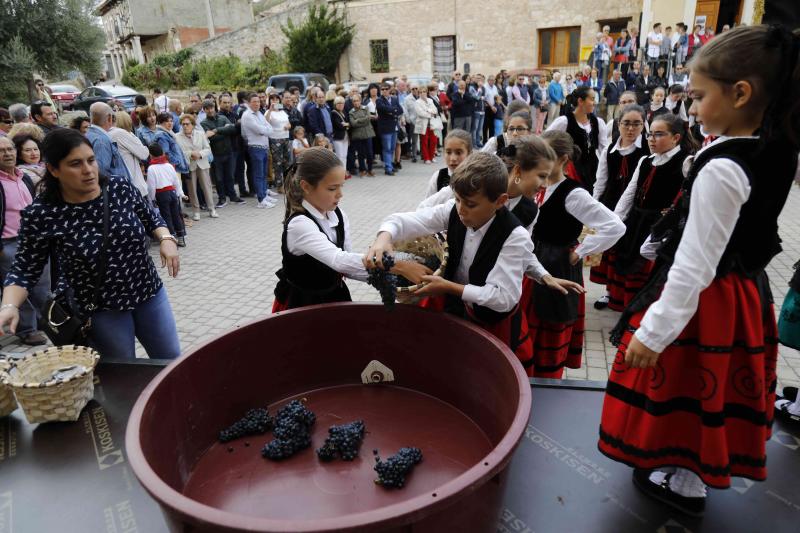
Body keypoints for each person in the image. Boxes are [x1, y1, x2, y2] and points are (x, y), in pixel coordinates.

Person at [599, 25, 800, 516]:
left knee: (689, 383)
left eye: (699, 96)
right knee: (712, 384)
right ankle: (686, 472)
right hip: (742, 293)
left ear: (740, 93)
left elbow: (695, 262)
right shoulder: (775, 147)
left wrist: (656, 330)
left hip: (706, 300)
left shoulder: (725, 166)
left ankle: (686, 481)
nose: (693, 108)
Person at [0, 129, 181, 359]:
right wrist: (9, 306)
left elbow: (151, 217)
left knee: (170, 359)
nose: (88, 170)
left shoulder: (118, 188)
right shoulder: (42, 213)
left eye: (91, 160)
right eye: (75, 164)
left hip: (148, 293)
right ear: (54, 170)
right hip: (101, 309)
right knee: (122, 373)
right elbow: (24, 269)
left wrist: (166, 239)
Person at [367, 152, 539, 362]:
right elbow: (404, 220)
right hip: (455, 309)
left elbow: (502, 298)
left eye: (471, 204)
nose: (461, 210)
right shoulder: (453, 210)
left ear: (500, 201)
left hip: (491, 322)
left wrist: (449, 287)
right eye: (457, 199)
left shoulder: (515, 236)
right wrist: (383, 238)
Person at [273, 147, 426, 311]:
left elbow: (347, 267)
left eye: (341, 186)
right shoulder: (300, 224)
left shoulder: (338, 216)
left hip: (335, 295)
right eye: (332, 189)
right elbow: (338, 260)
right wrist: (399, 266)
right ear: (306, 186)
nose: (340, 194)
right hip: (303, 303)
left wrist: (388, 279)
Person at [590, 104, 649, 309]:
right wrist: (593, 207)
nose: (631, 129)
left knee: (629, 251)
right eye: (626, 123)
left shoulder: (647, 150)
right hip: (611, 202)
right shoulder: (609, 149)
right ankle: (608, 292)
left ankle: (628, 295)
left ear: (643, 124)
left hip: (636, 208)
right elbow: (600, 180)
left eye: (636, 124)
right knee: (611, 250)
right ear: (618, 124)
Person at [0, 136, 49, 346]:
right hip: (9, 243)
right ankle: (28, 329)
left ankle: (47, 321)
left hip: (34, 238)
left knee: (42, 285)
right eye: (2, 151)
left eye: (10, 149)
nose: (8, 153)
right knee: (19, 288)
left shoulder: (24, 177)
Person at [545, 86, 608, 194]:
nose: (594, 102)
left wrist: (606, 167)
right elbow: (545, 141)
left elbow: (604, 148)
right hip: (571, 170)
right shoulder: (564, 121)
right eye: (592, 99)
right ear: (580, 101)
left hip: (593, 169)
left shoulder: (598, 122)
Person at [201, 99, 243, 208]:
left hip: (229, 152)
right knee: (219, 178)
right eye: (207, 108)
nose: (210, 110)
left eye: (211, 107)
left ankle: (233, 196)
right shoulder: (203, 123)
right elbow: (211, 139)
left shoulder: (223, 118)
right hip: (216, 154)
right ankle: (222, 198)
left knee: (230, 176)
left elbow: (233, 130)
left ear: (214, 107)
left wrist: (215, 131)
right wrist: (224, 131)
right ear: (204, 110)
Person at [176, 113, 217, 221]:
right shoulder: (177, 136)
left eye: (187, 124)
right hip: (190, 165)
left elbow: (208, 148)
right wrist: (190, 153)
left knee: (207, 187)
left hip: (202, 163)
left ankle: (211, 208)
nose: (185, 126)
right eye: (183, 124)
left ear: (193, 124)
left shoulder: (200, 134)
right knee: (192, 189)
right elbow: (179, 152)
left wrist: (200, 154)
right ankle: (196, 211)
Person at [146, 143, 187, 246]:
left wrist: (151, 199)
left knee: (166, 216)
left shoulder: (151, 168)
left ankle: (172, 237)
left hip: (161, 194)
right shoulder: (169, 165)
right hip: (172, 193)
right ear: (162, 153)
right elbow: (176, 181)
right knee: (176, 215)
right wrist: (180, 194)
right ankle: (181, 237)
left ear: (150, 154)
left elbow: (151, 186)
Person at [241, 92, 276, 209]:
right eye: (254, 102)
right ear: (249, 103)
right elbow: (259, 130)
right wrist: (266, 130)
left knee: (263, 174)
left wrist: (266, 129)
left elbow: (269, 128)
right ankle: (261, 200)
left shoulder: (259, 114)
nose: (257, 103)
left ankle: (264, 194)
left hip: (264, 148)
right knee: (258, 174)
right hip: (255, 148)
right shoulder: (247, 115)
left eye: (258, 101)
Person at [420, 129, 472, 202]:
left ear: (469, 154)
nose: (453, 158)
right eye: (448, 152)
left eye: (458, 153)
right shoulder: (438, 177)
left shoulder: (475, 178)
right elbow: (427, 206)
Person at [85, 102, 131, 180]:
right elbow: (101, 172)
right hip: (114, 190)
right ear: (109, 118)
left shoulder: (88, 134)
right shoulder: (101, 140)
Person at [108, 112, 149, 198]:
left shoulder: (110, 134)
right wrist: (132, 135)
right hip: (134, 186)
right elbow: (144, 154)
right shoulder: (121, 134)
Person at [376, 84, 404, 176]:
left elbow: (400, 110)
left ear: (389, 90)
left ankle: (390, 166)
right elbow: (383, 109)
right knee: (387, 149)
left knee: (392, 148)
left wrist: (391, 111)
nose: (384, 91)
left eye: (386, 89)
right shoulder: (379, 100)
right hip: (385, 128)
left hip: (394, 127)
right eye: (382, 89)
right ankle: (388, 168)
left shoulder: (394, 99)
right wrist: (393, 110)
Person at [153, 112, 190, 178]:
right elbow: (165, 153)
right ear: (161, 123)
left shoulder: (169, 132)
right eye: (166, 121)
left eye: (171, 121)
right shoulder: (162, 135)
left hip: (174, 167)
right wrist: (176, 162)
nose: (170, 123)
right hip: (172, 168)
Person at [348, 95, 375, 177]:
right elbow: (353, 123)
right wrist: (363, 119)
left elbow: (368, 119)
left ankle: (370, 169)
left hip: (367, 134)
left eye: (357, 100)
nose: (356, 102)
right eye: (354, 101)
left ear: (360, 101)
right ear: (352, 102)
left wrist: (358, 120)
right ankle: (362, 170)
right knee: (360, 154)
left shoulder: (365, 108)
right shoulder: (351, 112)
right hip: (358, 135)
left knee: (370, 153)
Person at [414, 86, 439, 165]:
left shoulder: (430, 100)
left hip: (432, 124)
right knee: (424, 142)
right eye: (420, 92)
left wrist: (428, 111)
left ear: (426, 92)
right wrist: (430, 114)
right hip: (423, 124)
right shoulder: (417, 102)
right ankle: (426, 158)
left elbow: (435, 110)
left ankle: (432, 156)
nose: (422, 94)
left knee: (433, 141)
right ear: (419, 94)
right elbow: (420, 113)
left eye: (424, 92)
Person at [330, 96, 350, 175]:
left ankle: (344, 172)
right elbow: (338, 125)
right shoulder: (333, 113)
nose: (341, 105)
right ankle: (339, 173)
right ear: (335, 104)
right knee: (339, 156)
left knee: (344, 155)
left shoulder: (344, 112)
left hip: (345, 137)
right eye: (339, 103)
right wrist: (346, 125)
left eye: (342, 103)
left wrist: (346, 124)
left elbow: (350, 123)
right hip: (338, 137)